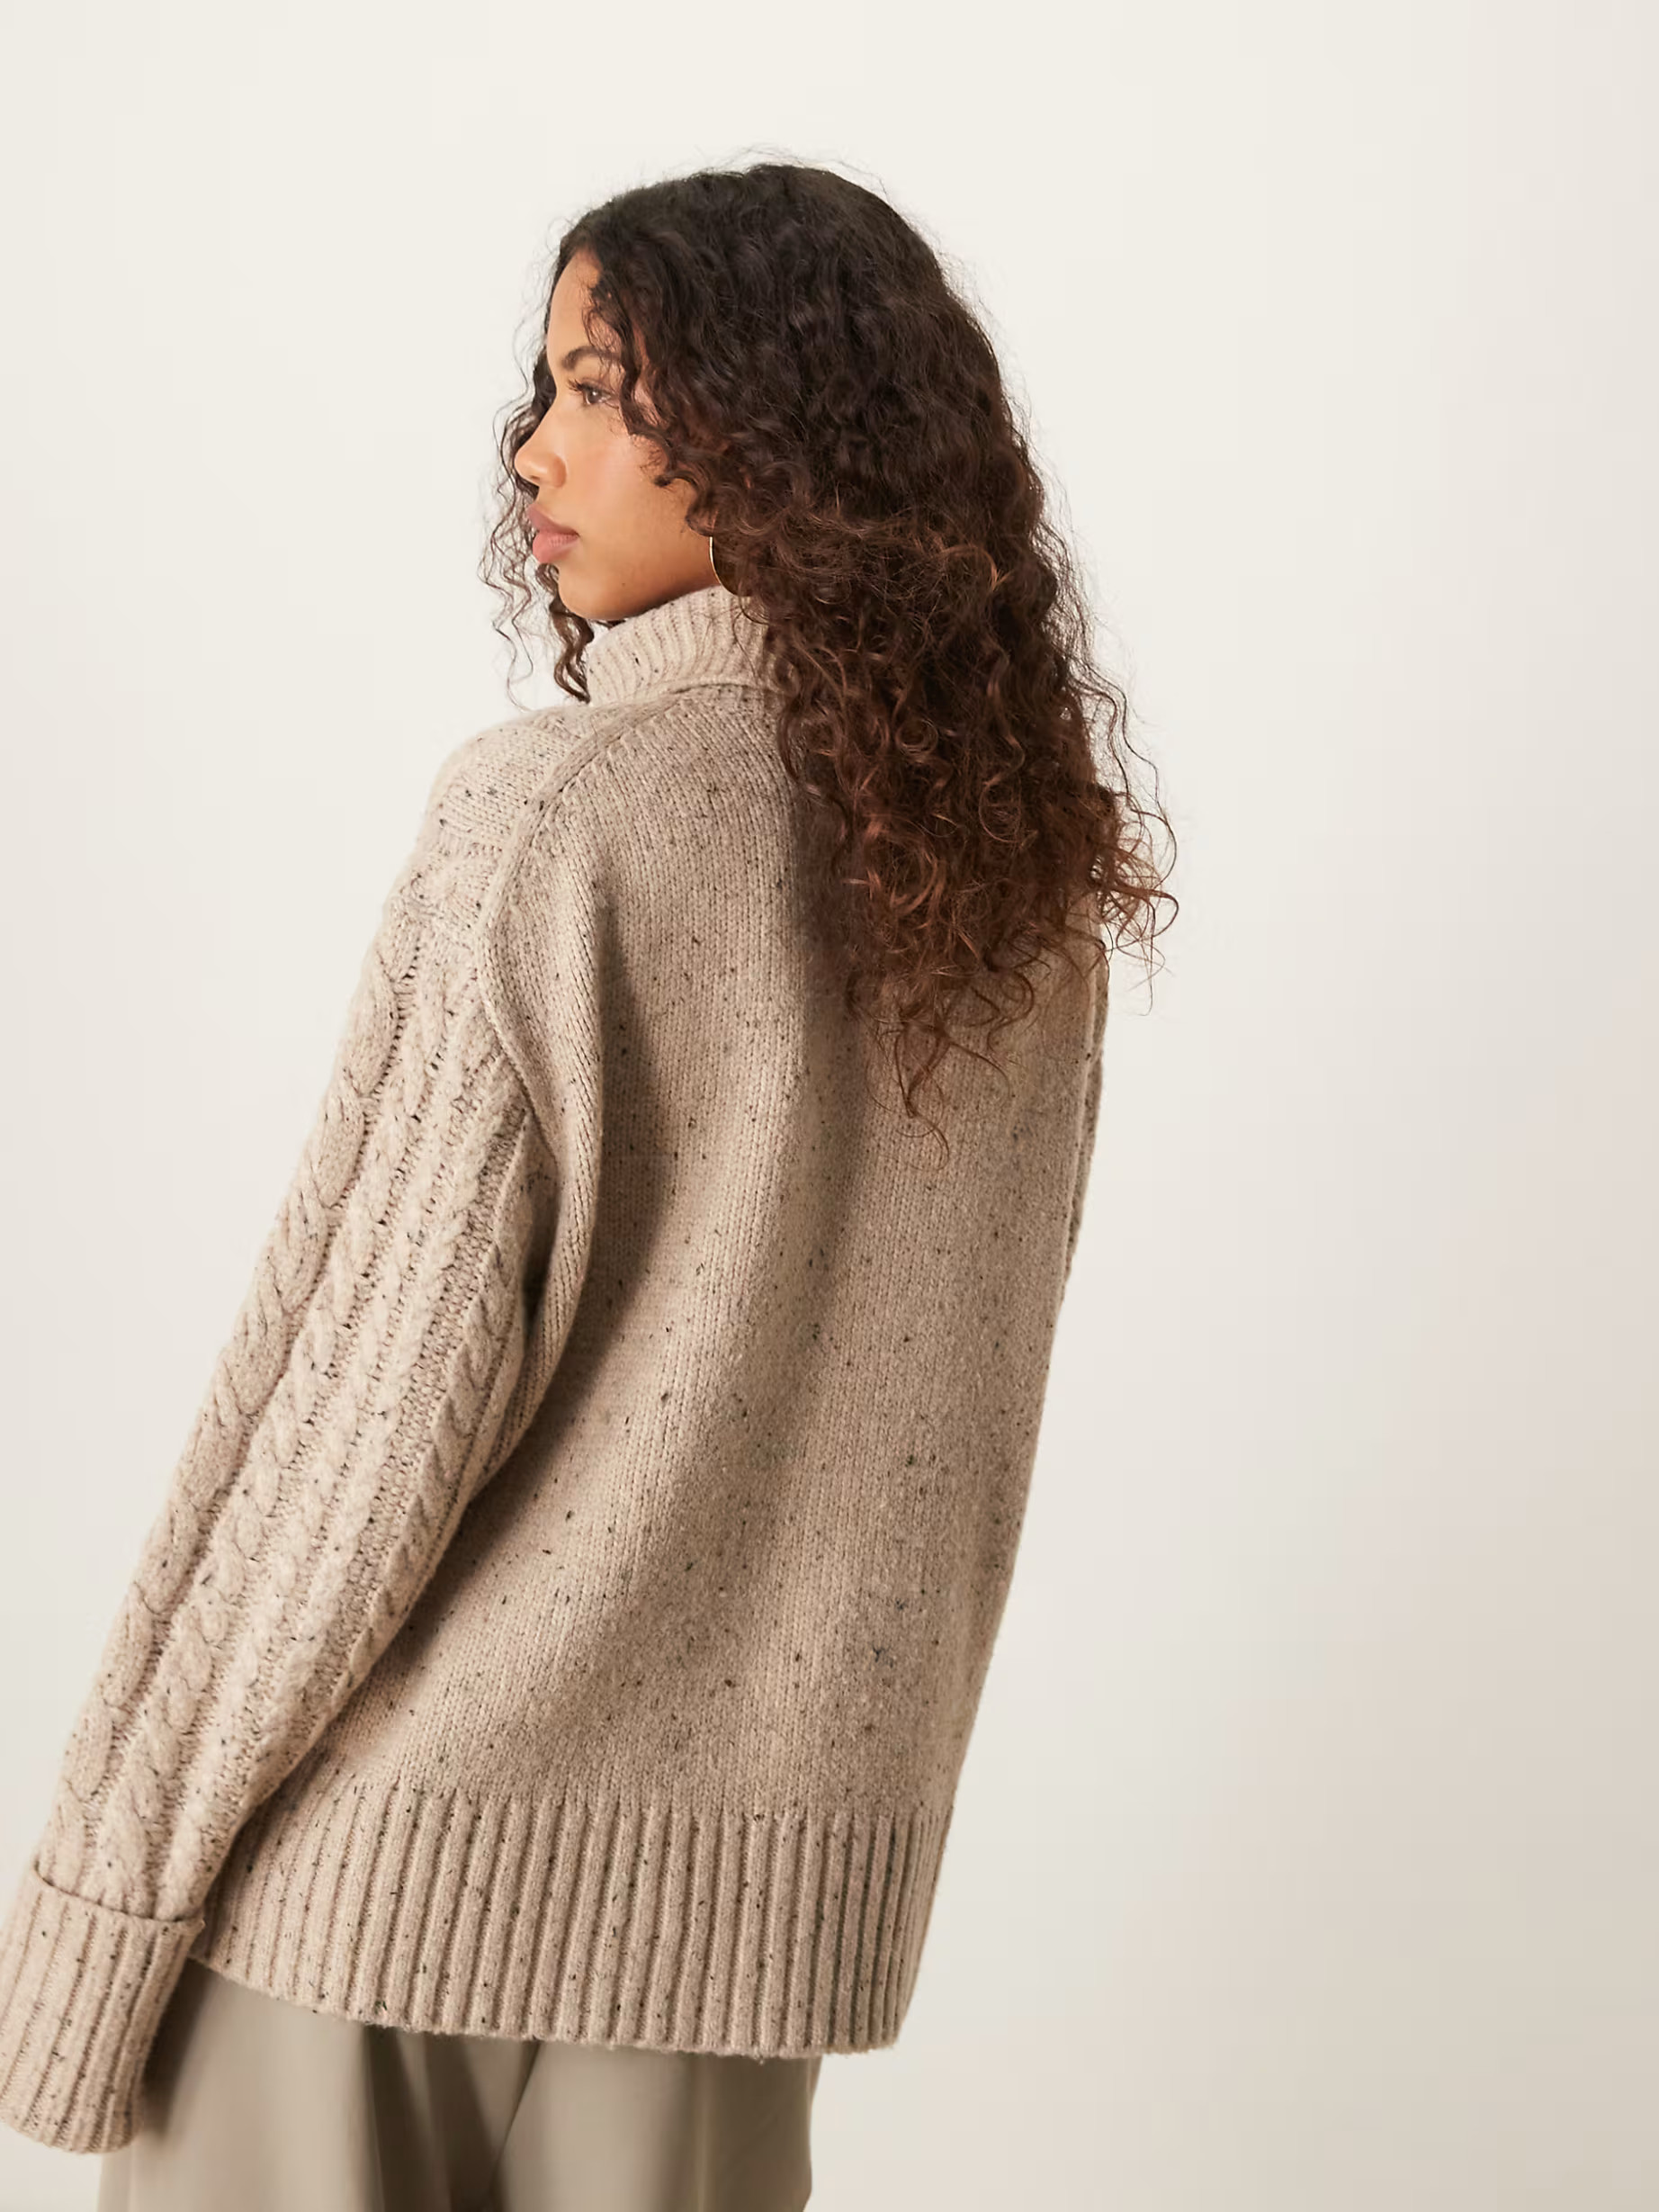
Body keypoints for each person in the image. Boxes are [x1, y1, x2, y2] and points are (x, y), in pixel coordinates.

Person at [0, 159, 1173, 2209]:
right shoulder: (1015, 903)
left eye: (602, 389)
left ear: (781, 430)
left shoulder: (554, 817)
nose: (536, 449)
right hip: (734, 1964)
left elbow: (344, 1447)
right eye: (543, 390)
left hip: (374, 1922)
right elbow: (943, 1459)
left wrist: (104, 1909)